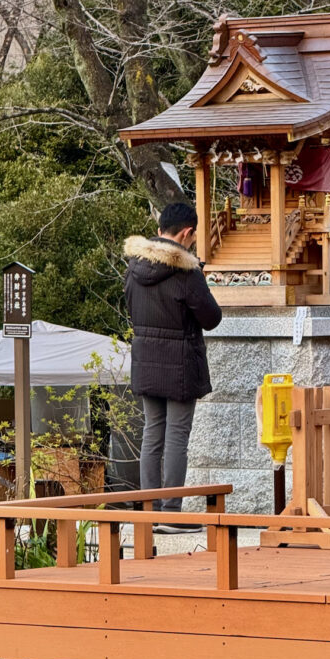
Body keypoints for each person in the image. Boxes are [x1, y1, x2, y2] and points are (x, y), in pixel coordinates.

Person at [124, 202, 222, 531]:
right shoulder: (186, 271)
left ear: (160, 228)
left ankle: (151, 510)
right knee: (177, 435)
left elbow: (130, 306)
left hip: (146, 359)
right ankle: (171, 512)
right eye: (193, 238)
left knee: (152, 433)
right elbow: (211, 318)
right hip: (180, 362)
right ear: (186, 233)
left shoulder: (134, 265)